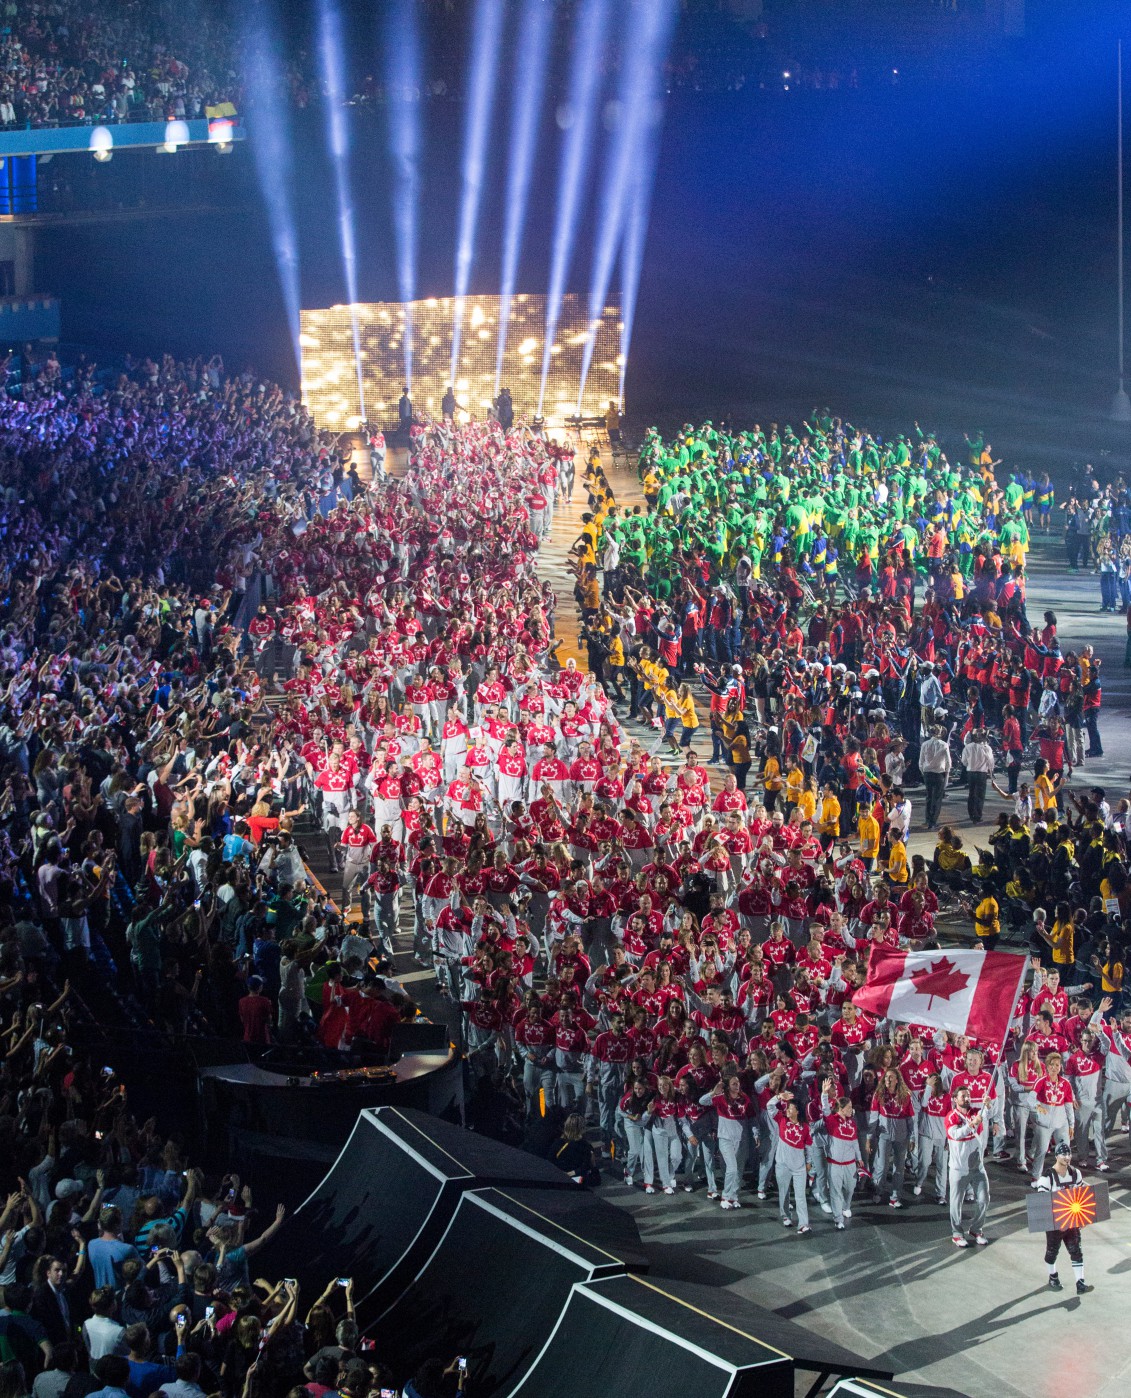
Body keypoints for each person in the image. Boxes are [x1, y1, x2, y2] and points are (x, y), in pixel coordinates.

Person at [1035, 1143, 1094, 1293]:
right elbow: (1042, 1203)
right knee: (1052, 1252)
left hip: (1072, 1221)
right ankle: (1052, 1276)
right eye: (1063, 1155)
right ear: (1056, 1156)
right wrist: (1054, 1221)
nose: (1067, 1157)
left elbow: (1081, 1197)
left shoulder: (1076, 1173)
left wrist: (1083, 1218)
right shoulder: (1047, 1177)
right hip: (1055, 1224)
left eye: (1069, 1154)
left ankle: (1080, 1282)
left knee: (1076, 1250)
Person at [945, 1086, 990, 1248]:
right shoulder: (951, 1117)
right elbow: (955, 1134)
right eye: (963, 1096)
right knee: (956, 1203)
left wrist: (988, 1104)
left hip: (977, 1167)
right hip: (959, 1169)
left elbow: (985, 1114)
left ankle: (976, 1229)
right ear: (955, 1099)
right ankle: (957, 1233)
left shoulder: (975, 1112)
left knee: (984, 1199)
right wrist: (972, 1125)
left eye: (968, 1096)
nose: (966, 1099)